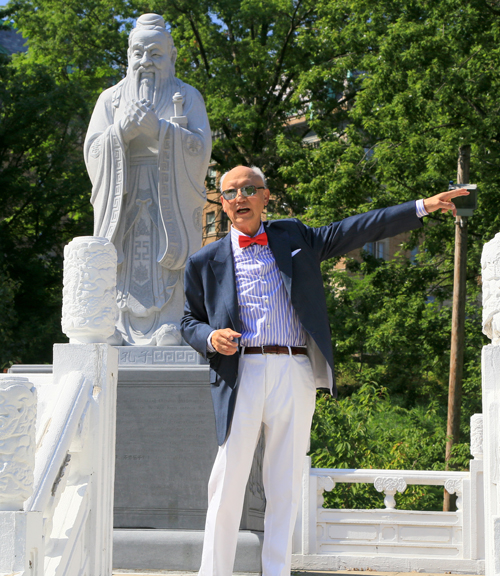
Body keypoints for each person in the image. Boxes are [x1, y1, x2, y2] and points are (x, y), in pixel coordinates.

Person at [180, 165, 468, 576]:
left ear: (266, 197)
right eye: (230, 192)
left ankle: (276, 571)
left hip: (294, 369)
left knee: (284, 483)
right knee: (226, 484)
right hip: (240, 372)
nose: (239, 197)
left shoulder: (295, 237)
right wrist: (210, 338)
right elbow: (188, 320)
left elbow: (358, 228)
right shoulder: (204, 261)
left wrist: (421, 207)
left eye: (249, 189)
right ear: (223, 203)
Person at [84, 13, 211, 346]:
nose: (146, 62)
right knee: (121, 258)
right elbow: (93, 150)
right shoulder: (110, 99)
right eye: (138, 53)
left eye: (155, 53)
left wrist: (160, 132)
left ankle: (174, 324)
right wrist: (120, 134)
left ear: (171, 56)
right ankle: (114, 327)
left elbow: (200, 150)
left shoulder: (187, 95)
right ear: (128, 55)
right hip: (122, 197)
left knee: (169, 260)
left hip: (170, 196)